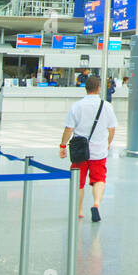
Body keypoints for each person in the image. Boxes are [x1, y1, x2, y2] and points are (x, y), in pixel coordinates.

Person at [59, 75, 118, 222]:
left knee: (78, 181)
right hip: (99, 151)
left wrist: (62, 145)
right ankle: (96, 204)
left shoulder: (77, 106)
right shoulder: (107, 106)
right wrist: (108, 143)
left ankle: (79, 210)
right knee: (99, 179)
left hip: (80, 151)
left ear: (86, 88)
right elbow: (112, 129)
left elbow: (69, 128)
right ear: (99, 88)